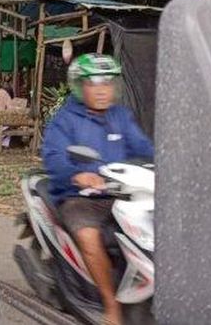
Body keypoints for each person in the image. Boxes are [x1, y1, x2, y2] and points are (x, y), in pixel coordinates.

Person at [41, 54, 153, 325]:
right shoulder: (65, 119)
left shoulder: (121, 116)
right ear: (80, 86)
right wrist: (78, 175)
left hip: (120, 193)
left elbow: (143, 148)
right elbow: (53, 157)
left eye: (108, 82)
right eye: (94, 83)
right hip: (79, 199)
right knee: (90, 238)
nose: (103, 89)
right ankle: (111, 305)